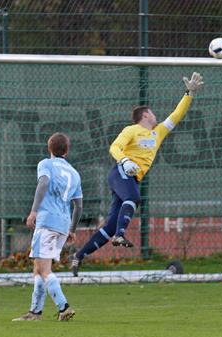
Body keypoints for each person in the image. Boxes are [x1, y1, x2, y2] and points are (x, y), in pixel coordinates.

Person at [69, 72, 204, 276]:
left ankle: (78, 256)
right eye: (152, 112)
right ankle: (120, 235)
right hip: (120, 173)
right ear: (146, 115)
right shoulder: (131, 130)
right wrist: (125, 160)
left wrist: (189, 94)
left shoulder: (157, 133)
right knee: (133, 197)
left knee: (111, 226)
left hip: (131, 179)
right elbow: (115, 147)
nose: (156, 115)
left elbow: (176, 115)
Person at [13, 133, 83, 321]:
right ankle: (35, 312)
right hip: (63, 224)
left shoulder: (46, 164)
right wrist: (72, 230)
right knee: (39, 268)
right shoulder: (74, 173)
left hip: (47, 221)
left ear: (49, 148)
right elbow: (79, 206)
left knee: (44, 270)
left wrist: (34, 211)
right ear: (66, 151)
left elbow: (43, 182)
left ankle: (64, 307)